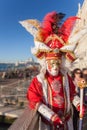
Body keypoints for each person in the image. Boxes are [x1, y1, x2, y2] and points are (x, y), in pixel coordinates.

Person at [8, 11, 86, 130]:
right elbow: (34, 101)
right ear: (46, 63)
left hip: (67, 122)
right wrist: (52, 117)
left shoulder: (66, 77)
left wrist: (79, 104)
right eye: (52, 63)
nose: (55, 66)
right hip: (48, 124)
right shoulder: (39, 80)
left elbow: (71, 95)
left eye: (57, 63)